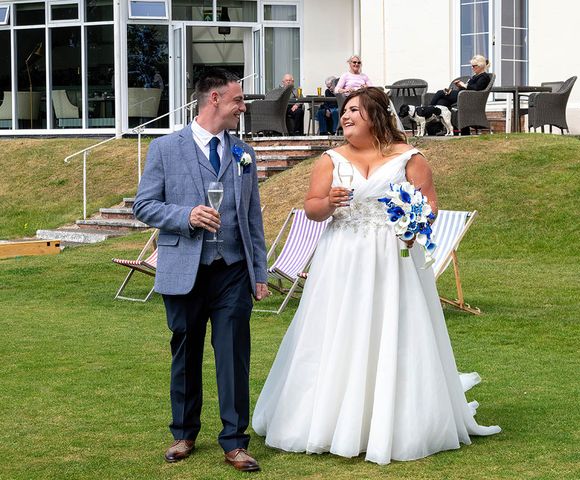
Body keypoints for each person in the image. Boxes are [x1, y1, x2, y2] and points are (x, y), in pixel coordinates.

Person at [252, 87, 500, 465]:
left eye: (354, 110)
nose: (345, 116)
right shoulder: (330, 161)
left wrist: (417, 223)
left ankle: (393, 421)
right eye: (344, 111)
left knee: (392, 331)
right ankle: (331, 419)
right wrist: (327, 203)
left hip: (393, 259)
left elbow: (430, 204)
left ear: (377, 115)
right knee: (338, 330)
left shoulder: (409, 158)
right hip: (343, 258)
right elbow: (312, 208)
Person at [133, 68, 268, 472]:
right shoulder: (164, 148)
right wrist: (185, 215)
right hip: (183, 269)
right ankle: (184, 433)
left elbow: (252, 219)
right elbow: (144, 206)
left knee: (233, 356)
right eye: (238, 101)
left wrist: (259, 272)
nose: (243, 107)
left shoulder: (244, 152)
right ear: (214, 100)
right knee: (186, 353)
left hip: (233, 270)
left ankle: (234, 441)